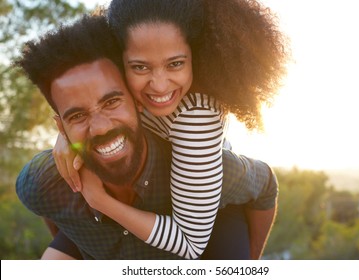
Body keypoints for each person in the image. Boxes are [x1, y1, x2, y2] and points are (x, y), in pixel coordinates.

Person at [15, 15, 278, 260]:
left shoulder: (202, 169)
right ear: (61, 127)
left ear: (137, 101)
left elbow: (265, 186)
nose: (101, 128)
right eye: (77, 116)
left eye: (112, 102)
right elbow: (48, 206)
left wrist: (252, 262)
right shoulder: (41, 182)